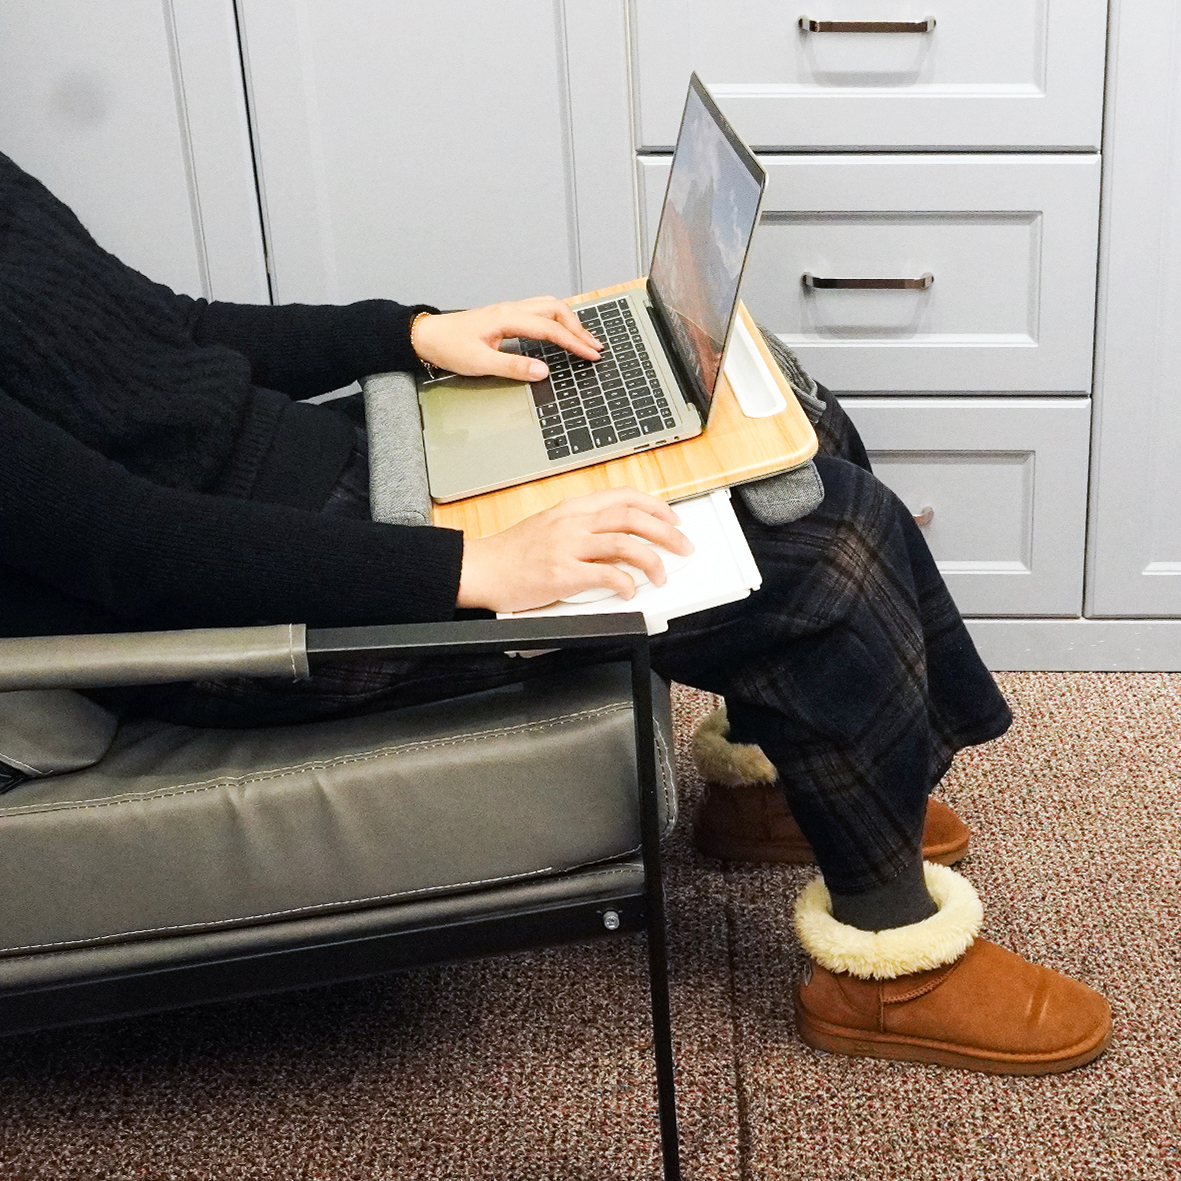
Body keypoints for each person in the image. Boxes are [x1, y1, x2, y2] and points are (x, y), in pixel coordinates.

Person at [0, 150, 1110, 1074]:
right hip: (245, 612)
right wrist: (472, 566)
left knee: (778, 416)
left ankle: (775, 792)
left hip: (326, 480)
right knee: (816, 546)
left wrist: (413, 333)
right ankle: (890, 969)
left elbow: (168, 331)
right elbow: (131, 546)